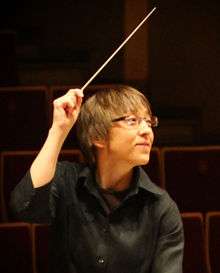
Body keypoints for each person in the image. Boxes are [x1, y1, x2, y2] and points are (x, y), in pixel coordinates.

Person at [10, 85, 184, 273]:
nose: (146, 131)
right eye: (132, 120)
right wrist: (58, 130)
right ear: (97, 136)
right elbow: (24, 208)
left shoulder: (162, 208)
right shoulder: (65, 181)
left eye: (149, 122)